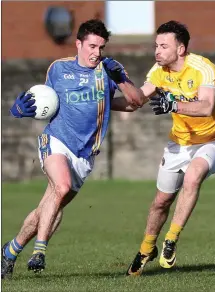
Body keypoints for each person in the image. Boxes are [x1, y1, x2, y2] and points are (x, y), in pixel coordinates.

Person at [1, 19, 144, 279]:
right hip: (56, 140)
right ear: (78, 44)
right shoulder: (58, 69)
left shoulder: (109, 70)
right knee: (62, 187)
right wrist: (21, 110)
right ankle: (39, 251)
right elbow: (45, 103)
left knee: (50, 206)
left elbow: (135, 102)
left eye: (101, 47)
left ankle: (9, 252)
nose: (96, 53)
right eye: (91, 46)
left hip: (85, 155)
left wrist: (121, 79)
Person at [123, 20, 215, 276]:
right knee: (161, 202)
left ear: (181, 48)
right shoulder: (159, 70)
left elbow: (206, 106)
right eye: (156, 45)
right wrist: (102, 103)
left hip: (213, 141)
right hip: (179, 144)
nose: (157, 51)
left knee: (194, 176)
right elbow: (136, 101)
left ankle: (171, 239)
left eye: (163, 46)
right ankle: (146, 249)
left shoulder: (204, 69)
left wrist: (173, 106)